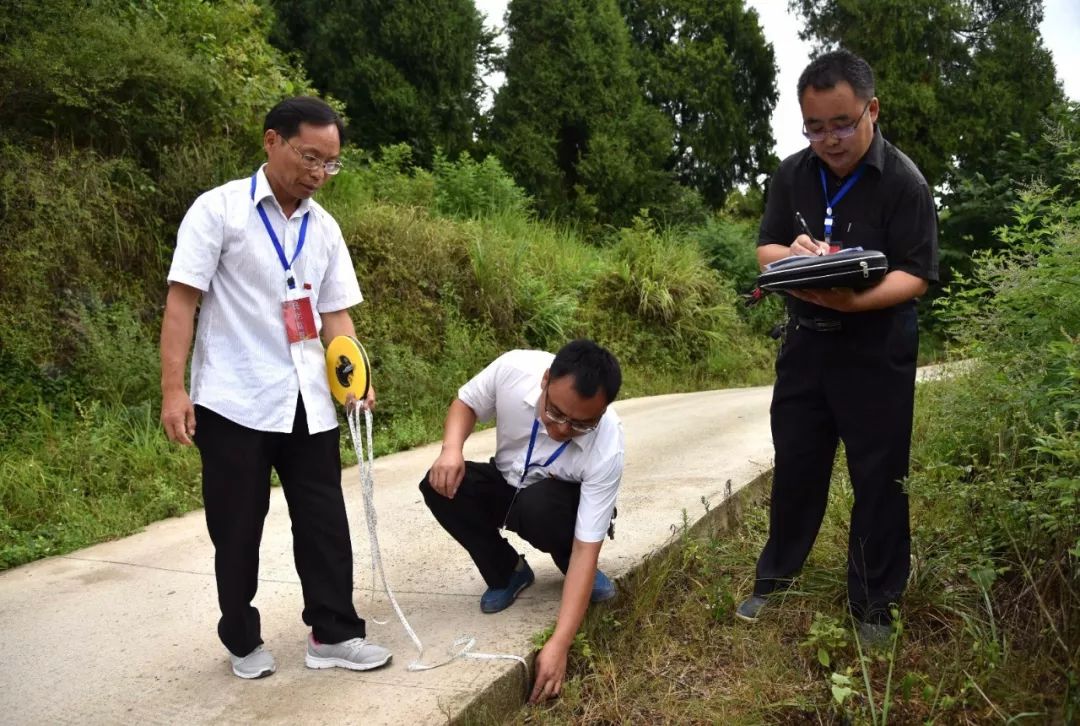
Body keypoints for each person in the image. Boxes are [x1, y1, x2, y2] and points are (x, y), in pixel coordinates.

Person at [160, 96, 391, 679]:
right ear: (272, 141)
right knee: (236, 527)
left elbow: (335, 315)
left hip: (308, 400)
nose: (318, 173)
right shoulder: (218, 212)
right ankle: (241, 639)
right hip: (234, 399)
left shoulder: (325, 227)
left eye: (330, 163)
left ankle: (333, 634)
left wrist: (354, 380)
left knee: (325, 524)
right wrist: (172, 391)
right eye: (310, 157)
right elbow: (181, 303)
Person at [736, 50, 938, 643]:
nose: (830, 139)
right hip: (805, 347)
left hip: (877, 350)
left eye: (843, 123)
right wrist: (794, 257)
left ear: (871, 110)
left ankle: (875, 604)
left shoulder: (903, 181)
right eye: (816, 127)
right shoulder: (792, 174)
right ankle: (776, 581)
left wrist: (852, 300)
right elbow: (766, 248)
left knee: (879, 476)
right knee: (796, 466)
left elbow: (916, 274)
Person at [420, 339, 623, 703]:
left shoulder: (607, 445)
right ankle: (508, 572)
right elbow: (466, 402)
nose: (562, 429)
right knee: (440, 485)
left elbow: (586, 546)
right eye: (556, 413)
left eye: (580, 424)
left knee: (540, 507)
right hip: (507, 480)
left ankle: (567, 569)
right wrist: (451, 450)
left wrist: (559, 644)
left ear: (603, 412)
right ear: (546, 381)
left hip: (556, 504)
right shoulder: (514, 369)